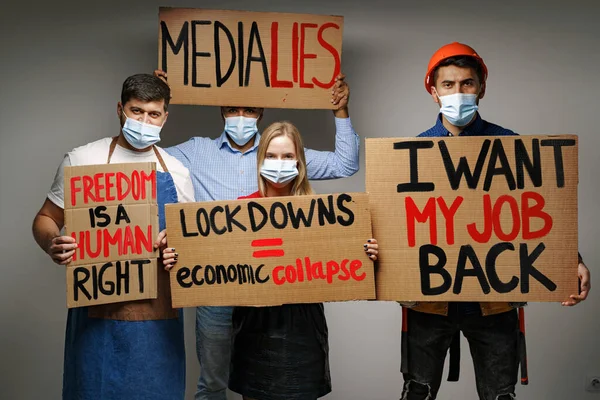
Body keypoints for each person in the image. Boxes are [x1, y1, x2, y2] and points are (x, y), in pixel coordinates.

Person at [399, 42, 592, 400]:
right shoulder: (412, 153)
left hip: (495, 298)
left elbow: (537, 214)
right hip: (429, 301)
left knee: (500, 395)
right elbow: (397, 226)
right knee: (417, 392)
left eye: (467, 84)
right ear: (433, 91)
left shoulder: (511, 146)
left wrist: (571, 260)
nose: (458, 92)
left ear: (481, 88)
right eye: (448, 85)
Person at [154, 69, 361, 400]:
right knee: (213, 382)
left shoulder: (281, 151)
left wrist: (340, 111)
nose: (240, 117)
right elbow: (145, 157)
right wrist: (159, 101)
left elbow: (347, 164)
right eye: (233, 109)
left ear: (261, 112)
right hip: (216, 282)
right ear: (220, 110)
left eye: (249, 110)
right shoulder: (196, 151)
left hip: (275, 288)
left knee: (269, 380)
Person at [32, 74, 195, 400]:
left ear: (165, 116)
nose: (144, 121)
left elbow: (189, 242)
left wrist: (179, 251)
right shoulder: (82, 160)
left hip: (157, 324)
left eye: (153, 114)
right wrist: (53, 242)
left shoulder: (178, 172)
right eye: (136, 111)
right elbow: (46, 218)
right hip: (97, 320)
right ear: (120, 109)